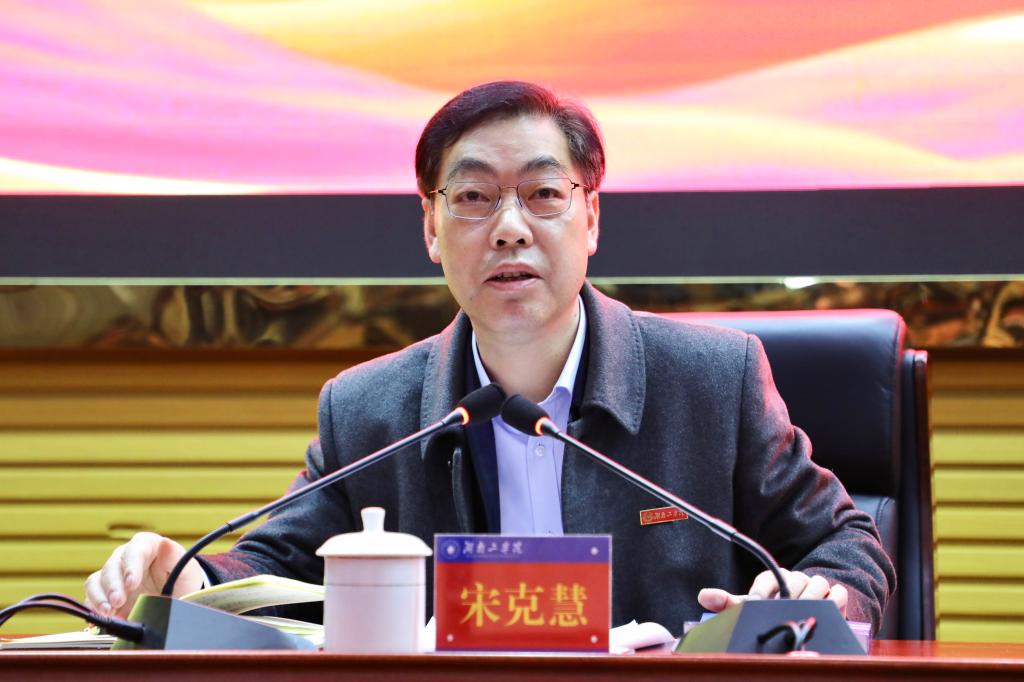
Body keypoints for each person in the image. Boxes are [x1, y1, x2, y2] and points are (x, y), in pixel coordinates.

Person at [84, 81, 894, 633]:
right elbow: (275, 571)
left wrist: (816, 593)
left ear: (590, 219)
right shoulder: (370, 411)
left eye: (543, 194)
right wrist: (187, 579)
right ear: (431, 229)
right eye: (472, 197)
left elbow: (847, 546)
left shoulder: (712, 382)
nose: (510, 228)